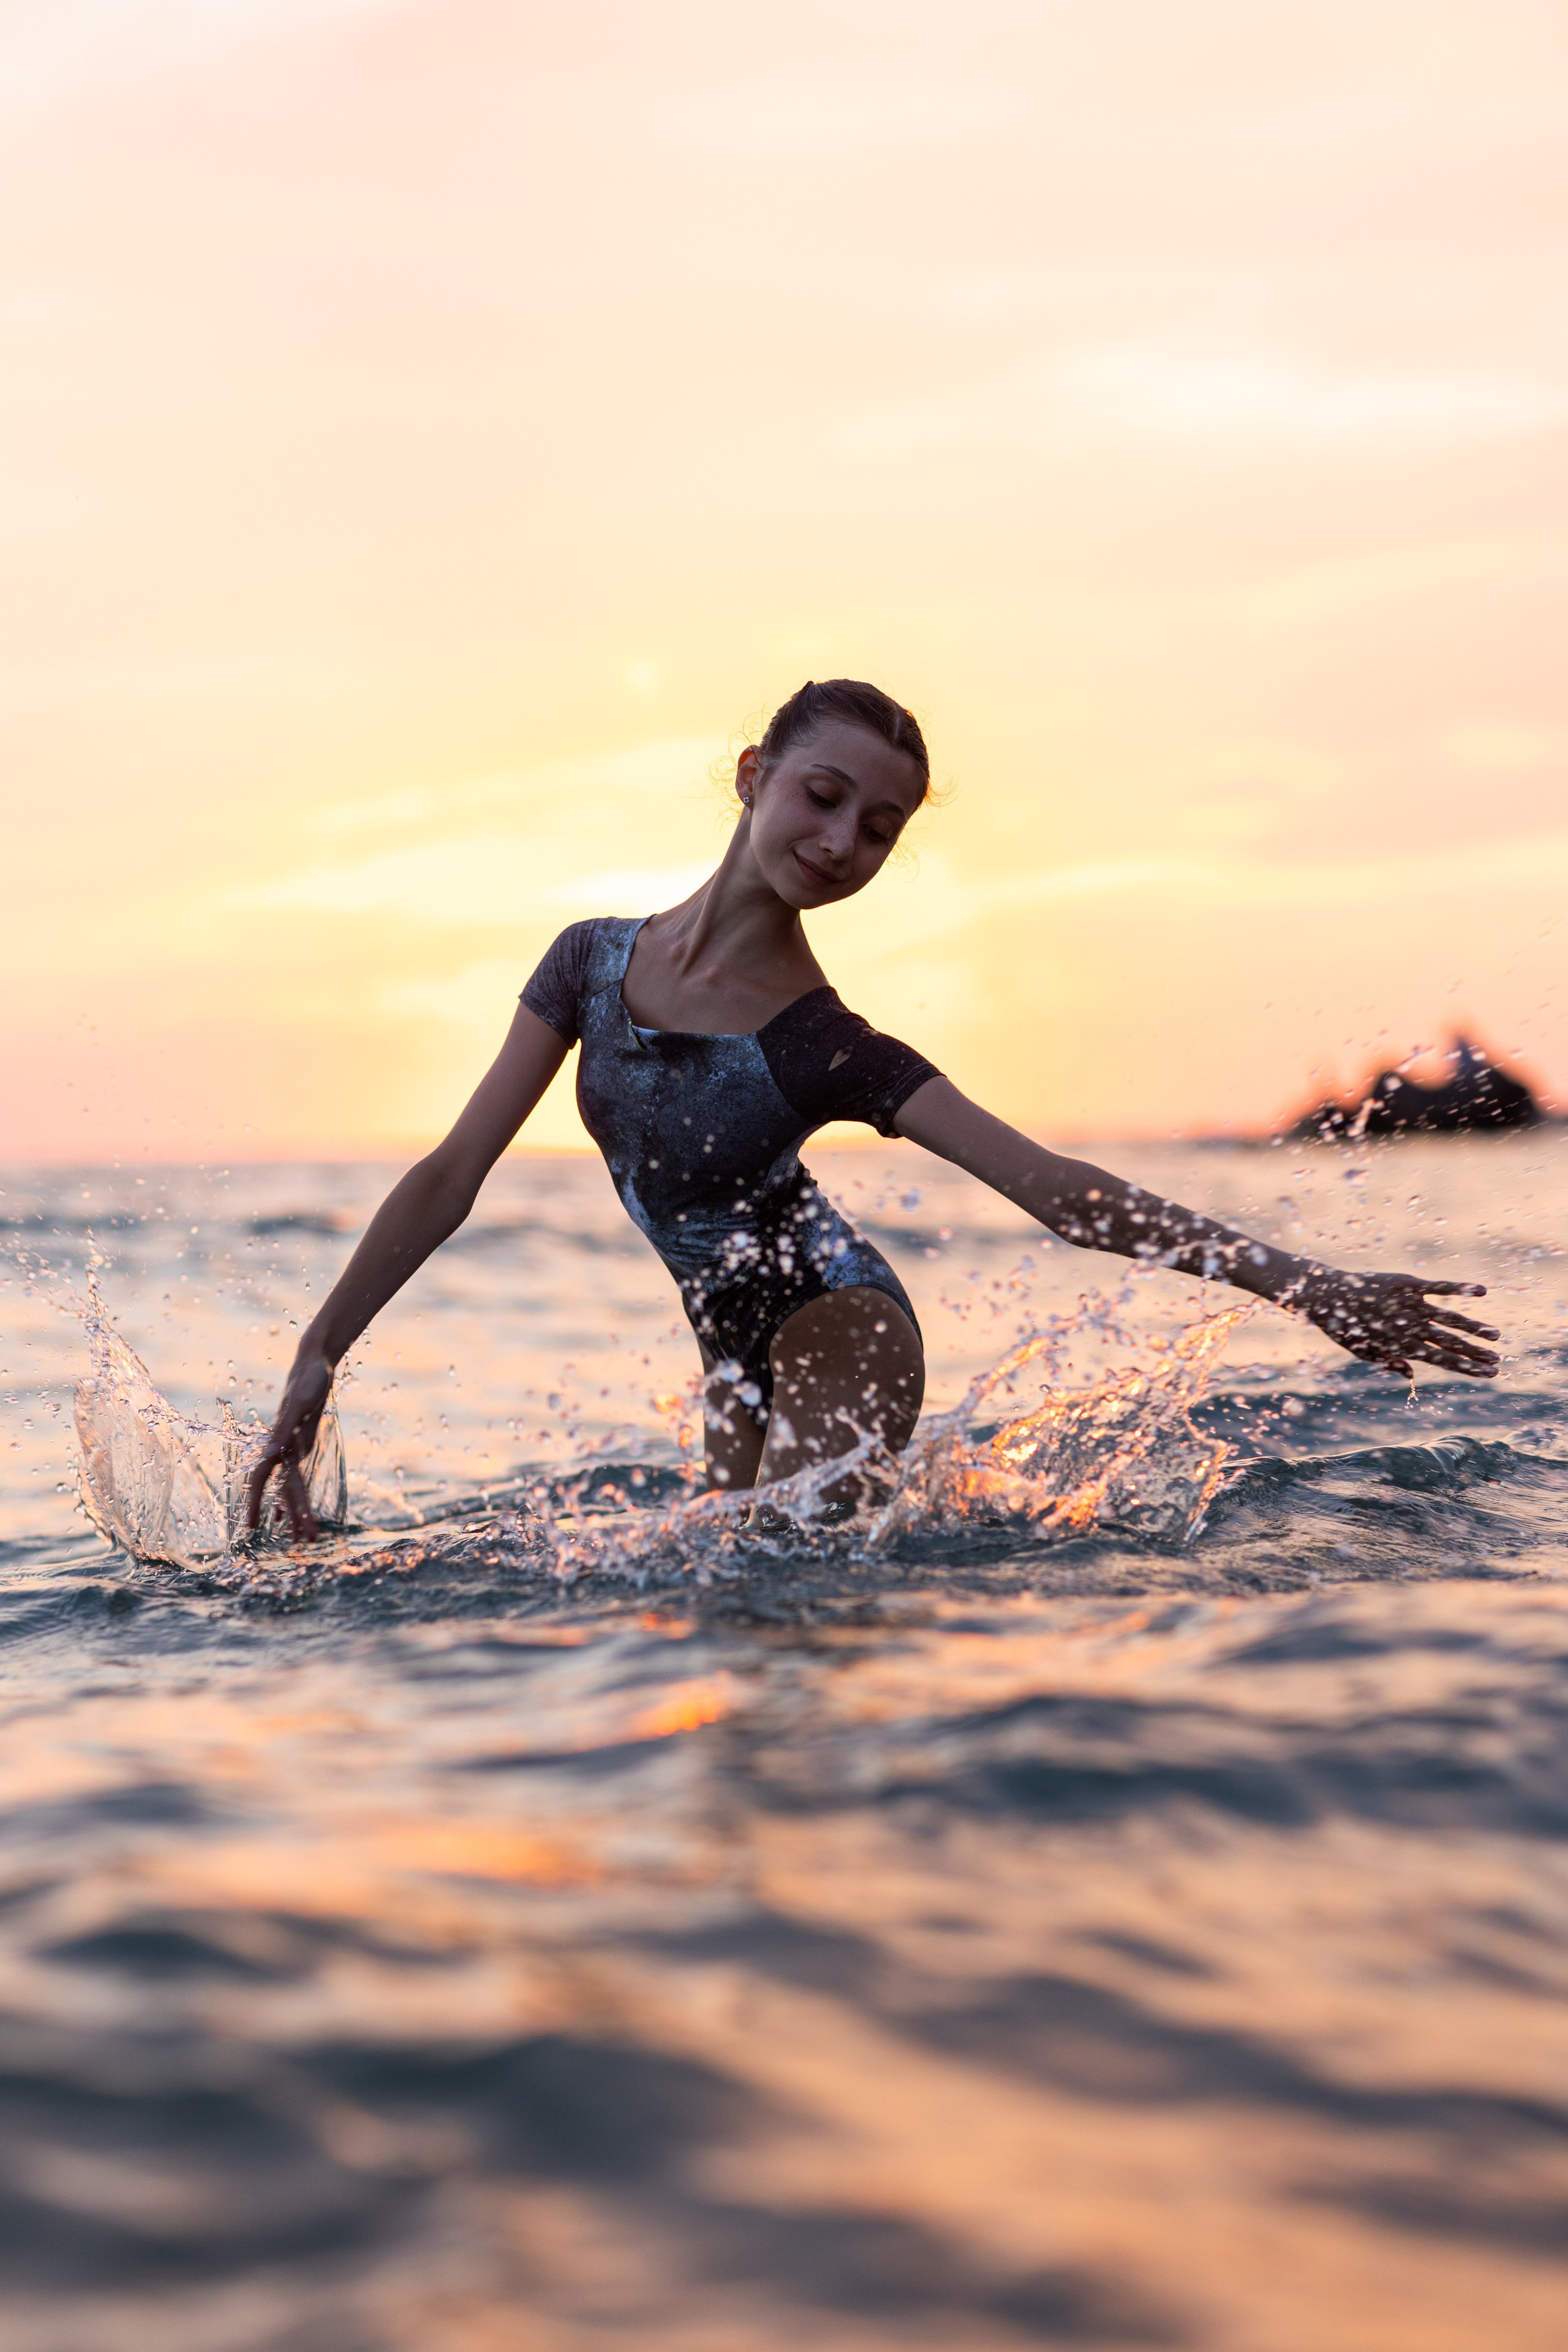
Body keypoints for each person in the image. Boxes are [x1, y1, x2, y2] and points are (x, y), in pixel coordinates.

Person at [246, 679, 1501, 1540]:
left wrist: (1304, 1284)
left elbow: (1055, 1192)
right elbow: (452, 1173)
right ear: (754, 776)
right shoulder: (586, 961)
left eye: (880, 828)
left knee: (782, 1619)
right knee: (737, 1662)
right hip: (729, 1360)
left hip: (843, 1329)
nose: (844, 838)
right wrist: (321, 1351)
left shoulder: (824, 1046)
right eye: (825, 795)